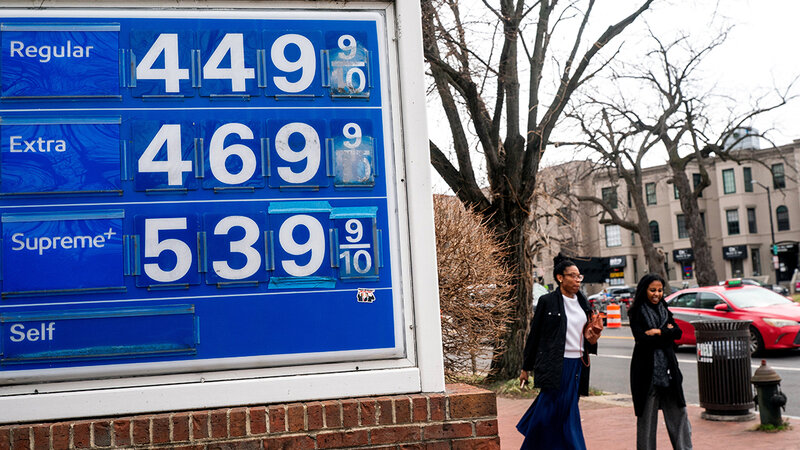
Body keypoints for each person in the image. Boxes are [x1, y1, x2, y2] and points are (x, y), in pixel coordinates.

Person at [517, 259, 601, 449]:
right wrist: (526, 368)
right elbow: (535, 336)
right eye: (572, 276)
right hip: (555, 363)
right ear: (560, 278)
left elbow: (586, 334)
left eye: (579, 276)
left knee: (566, 408)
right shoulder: (547, 301)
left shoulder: (583, 302)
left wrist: (592, 336)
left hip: (577, 364)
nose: (577, 280)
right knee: (550, 407)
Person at [629, 273, 692, 450]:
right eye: (652, 290)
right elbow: (641, 338)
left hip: (669, 371)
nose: (657, 294)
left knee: (679, 414)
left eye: (660, 290)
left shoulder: (665, 309)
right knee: (647, 420)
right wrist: (666, 332)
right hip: (646, 373)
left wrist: (657, 332)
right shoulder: (637, 312)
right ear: (644, 290)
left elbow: (678, 333)